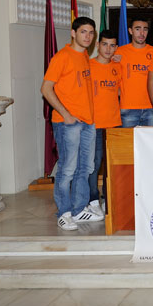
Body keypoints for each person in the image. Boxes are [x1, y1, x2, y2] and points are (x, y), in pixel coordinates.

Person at [41, 16, 103, 230]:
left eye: (91, 32)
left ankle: (78, 210)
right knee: (68, 169)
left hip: (87, 122)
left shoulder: (84, 55)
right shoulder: (62, 57)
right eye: (84, 32)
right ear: (73, 33)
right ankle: (64, 212)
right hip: (68, 123)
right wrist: (65, 114)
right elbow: (46, 89)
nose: (88, 36)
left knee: (85, 167)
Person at [89, 30, 121, 217]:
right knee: (93, 166)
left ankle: (109, 199)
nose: (108, 49)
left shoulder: (118, 67)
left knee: (111, 166)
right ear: (98, 45)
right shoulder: (89, 66)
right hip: (94, 125)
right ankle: (93, 200)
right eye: (105, 44)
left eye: (112, 45)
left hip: (114, 124)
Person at [115, 19, 153, 127]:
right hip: (128, 108)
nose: (142, 33)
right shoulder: (119, 52)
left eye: (145, 29)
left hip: (151, 108)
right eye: (137, 29)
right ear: (130, 31)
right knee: (128, 143)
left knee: (151, 144)